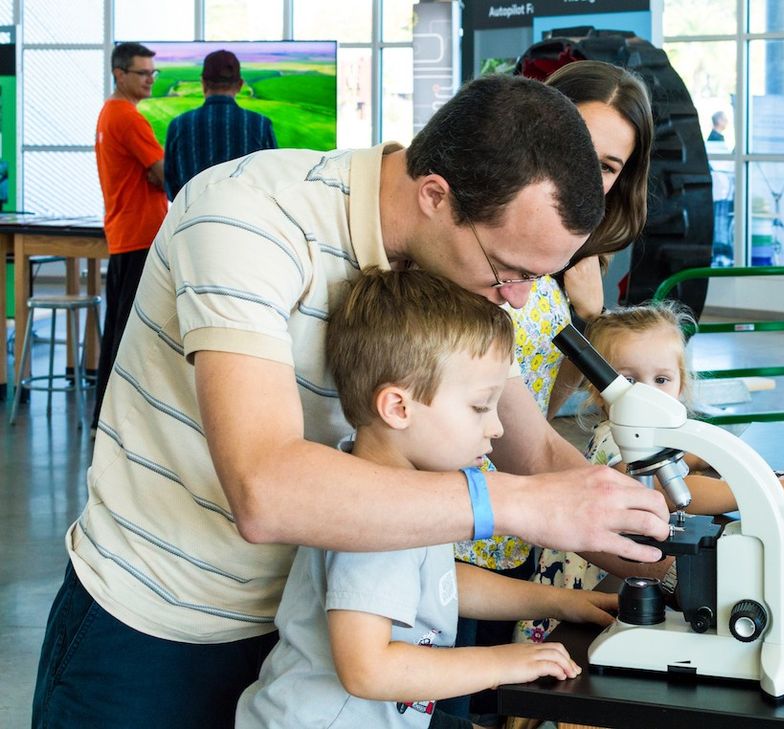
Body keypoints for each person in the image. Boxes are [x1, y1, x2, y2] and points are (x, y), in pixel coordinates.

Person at [32, 73, 672, 729]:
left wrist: (665, 558)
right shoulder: (248, 216)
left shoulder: (454, 261)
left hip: (311, 629)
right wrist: (517, 505)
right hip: (159, 626)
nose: (517, 298)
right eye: (512, 270)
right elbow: (265, 489)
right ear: (434, 196)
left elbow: (528, 444)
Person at [235, 267, 620, 729]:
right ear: (399, 408)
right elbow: (368, 669)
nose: (496, 428)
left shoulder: (410, 491)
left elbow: (440, 584)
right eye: (480, 406)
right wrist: (507, 662)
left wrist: (559, 602)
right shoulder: (373, 520)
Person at [447, 60, 654, 724]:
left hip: (516, 524)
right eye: (575, 152)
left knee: (493, 697)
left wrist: (585, 319)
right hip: (447, 523)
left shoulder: (581, 259)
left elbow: (542, 407)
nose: (585, 179)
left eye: (607, 166)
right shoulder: (476, 249)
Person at [513, 302, 784, 644]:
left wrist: (703, 458)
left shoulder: (655, 432)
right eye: (628, 381)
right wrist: (762, 489)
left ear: (681, 383)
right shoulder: (614, 434)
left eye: (661, 380)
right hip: (590, 584)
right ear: (600, 391)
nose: (646, 393)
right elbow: (665, 491)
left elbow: (675, 459)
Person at [91, 41, 168, 432]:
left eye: (154, 72)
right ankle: (119, 422)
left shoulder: (109, 112)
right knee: (131, 334)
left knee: (120, 330)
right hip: (141, 236)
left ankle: (106, 417)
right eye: (143, 73)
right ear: (120, 74)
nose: (151, 79)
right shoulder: (128, 118)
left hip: (125, 233)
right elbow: (161, 172)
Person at [164, 49, 278, 201]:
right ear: (239, 85)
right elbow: (272, 183)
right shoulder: (261, 125)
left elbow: (172, 189)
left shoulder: (178, 125)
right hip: (245, 221)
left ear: (203, 83)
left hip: (193, 222)